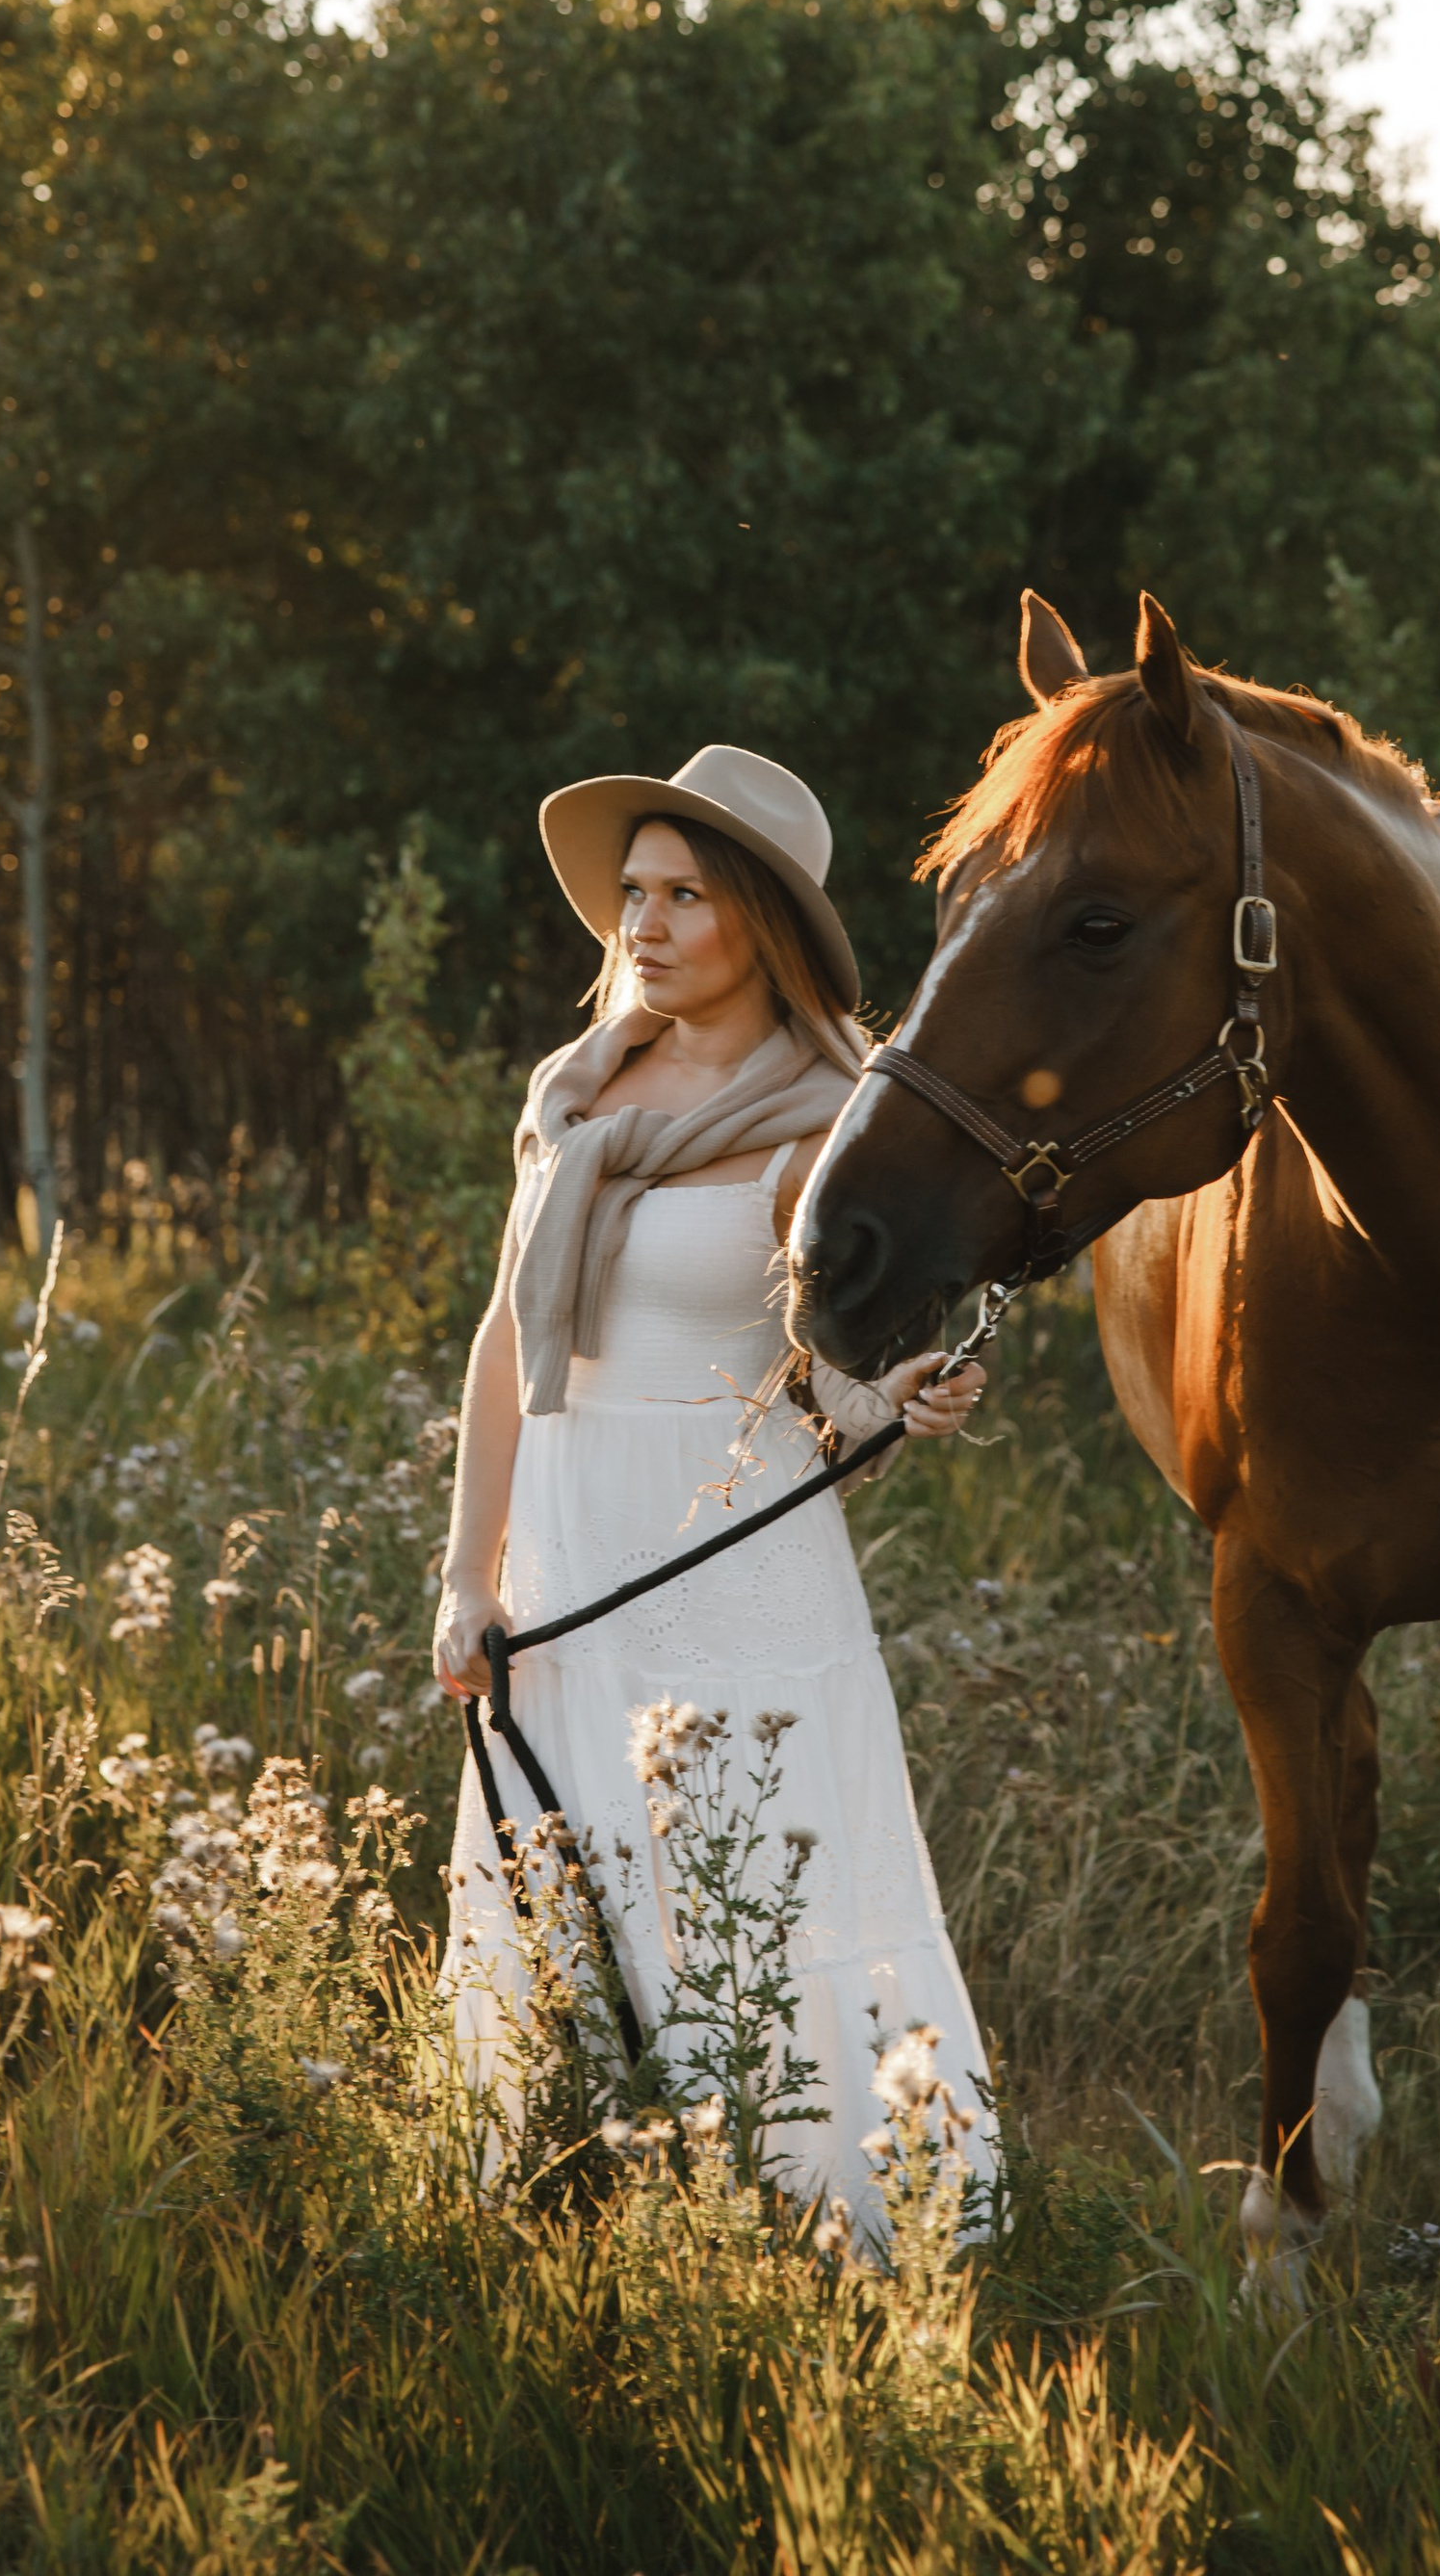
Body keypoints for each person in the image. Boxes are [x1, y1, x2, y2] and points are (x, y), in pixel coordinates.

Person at [432, 742, 991, 2214]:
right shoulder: (575, 1093)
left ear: (764, 920)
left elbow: (826, 1376)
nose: (645, 924)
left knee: (754, 1885)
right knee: (567, 1877)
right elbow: (505, 1341)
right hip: (566, 1556)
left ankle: (806, 2211)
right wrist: (467, 1574)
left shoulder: (830, 1113)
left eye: (685, 895)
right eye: (635, 893)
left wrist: (898, 1398)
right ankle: (563, 2198)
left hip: (731, 1564)